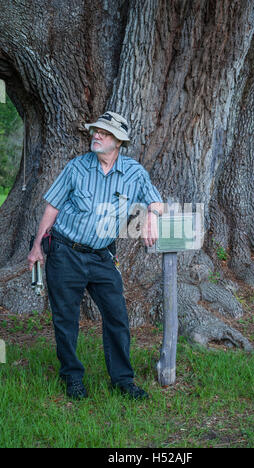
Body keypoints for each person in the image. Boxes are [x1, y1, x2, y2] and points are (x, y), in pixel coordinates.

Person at [28, 111, 163, 400]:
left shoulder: (134, 172)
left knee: (117, 316)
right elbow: (52, 206)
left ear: (118, 141)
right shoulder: (77, 167)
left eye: (104, 132)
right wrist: (37, 246)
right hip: (66, 252)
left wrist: (150, 215)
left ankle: (123, 380)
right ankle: (72, 377)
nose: (96, 135)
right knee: (66, 319)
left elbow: (157, 201)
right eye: (96, 131)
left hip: (102, 257)